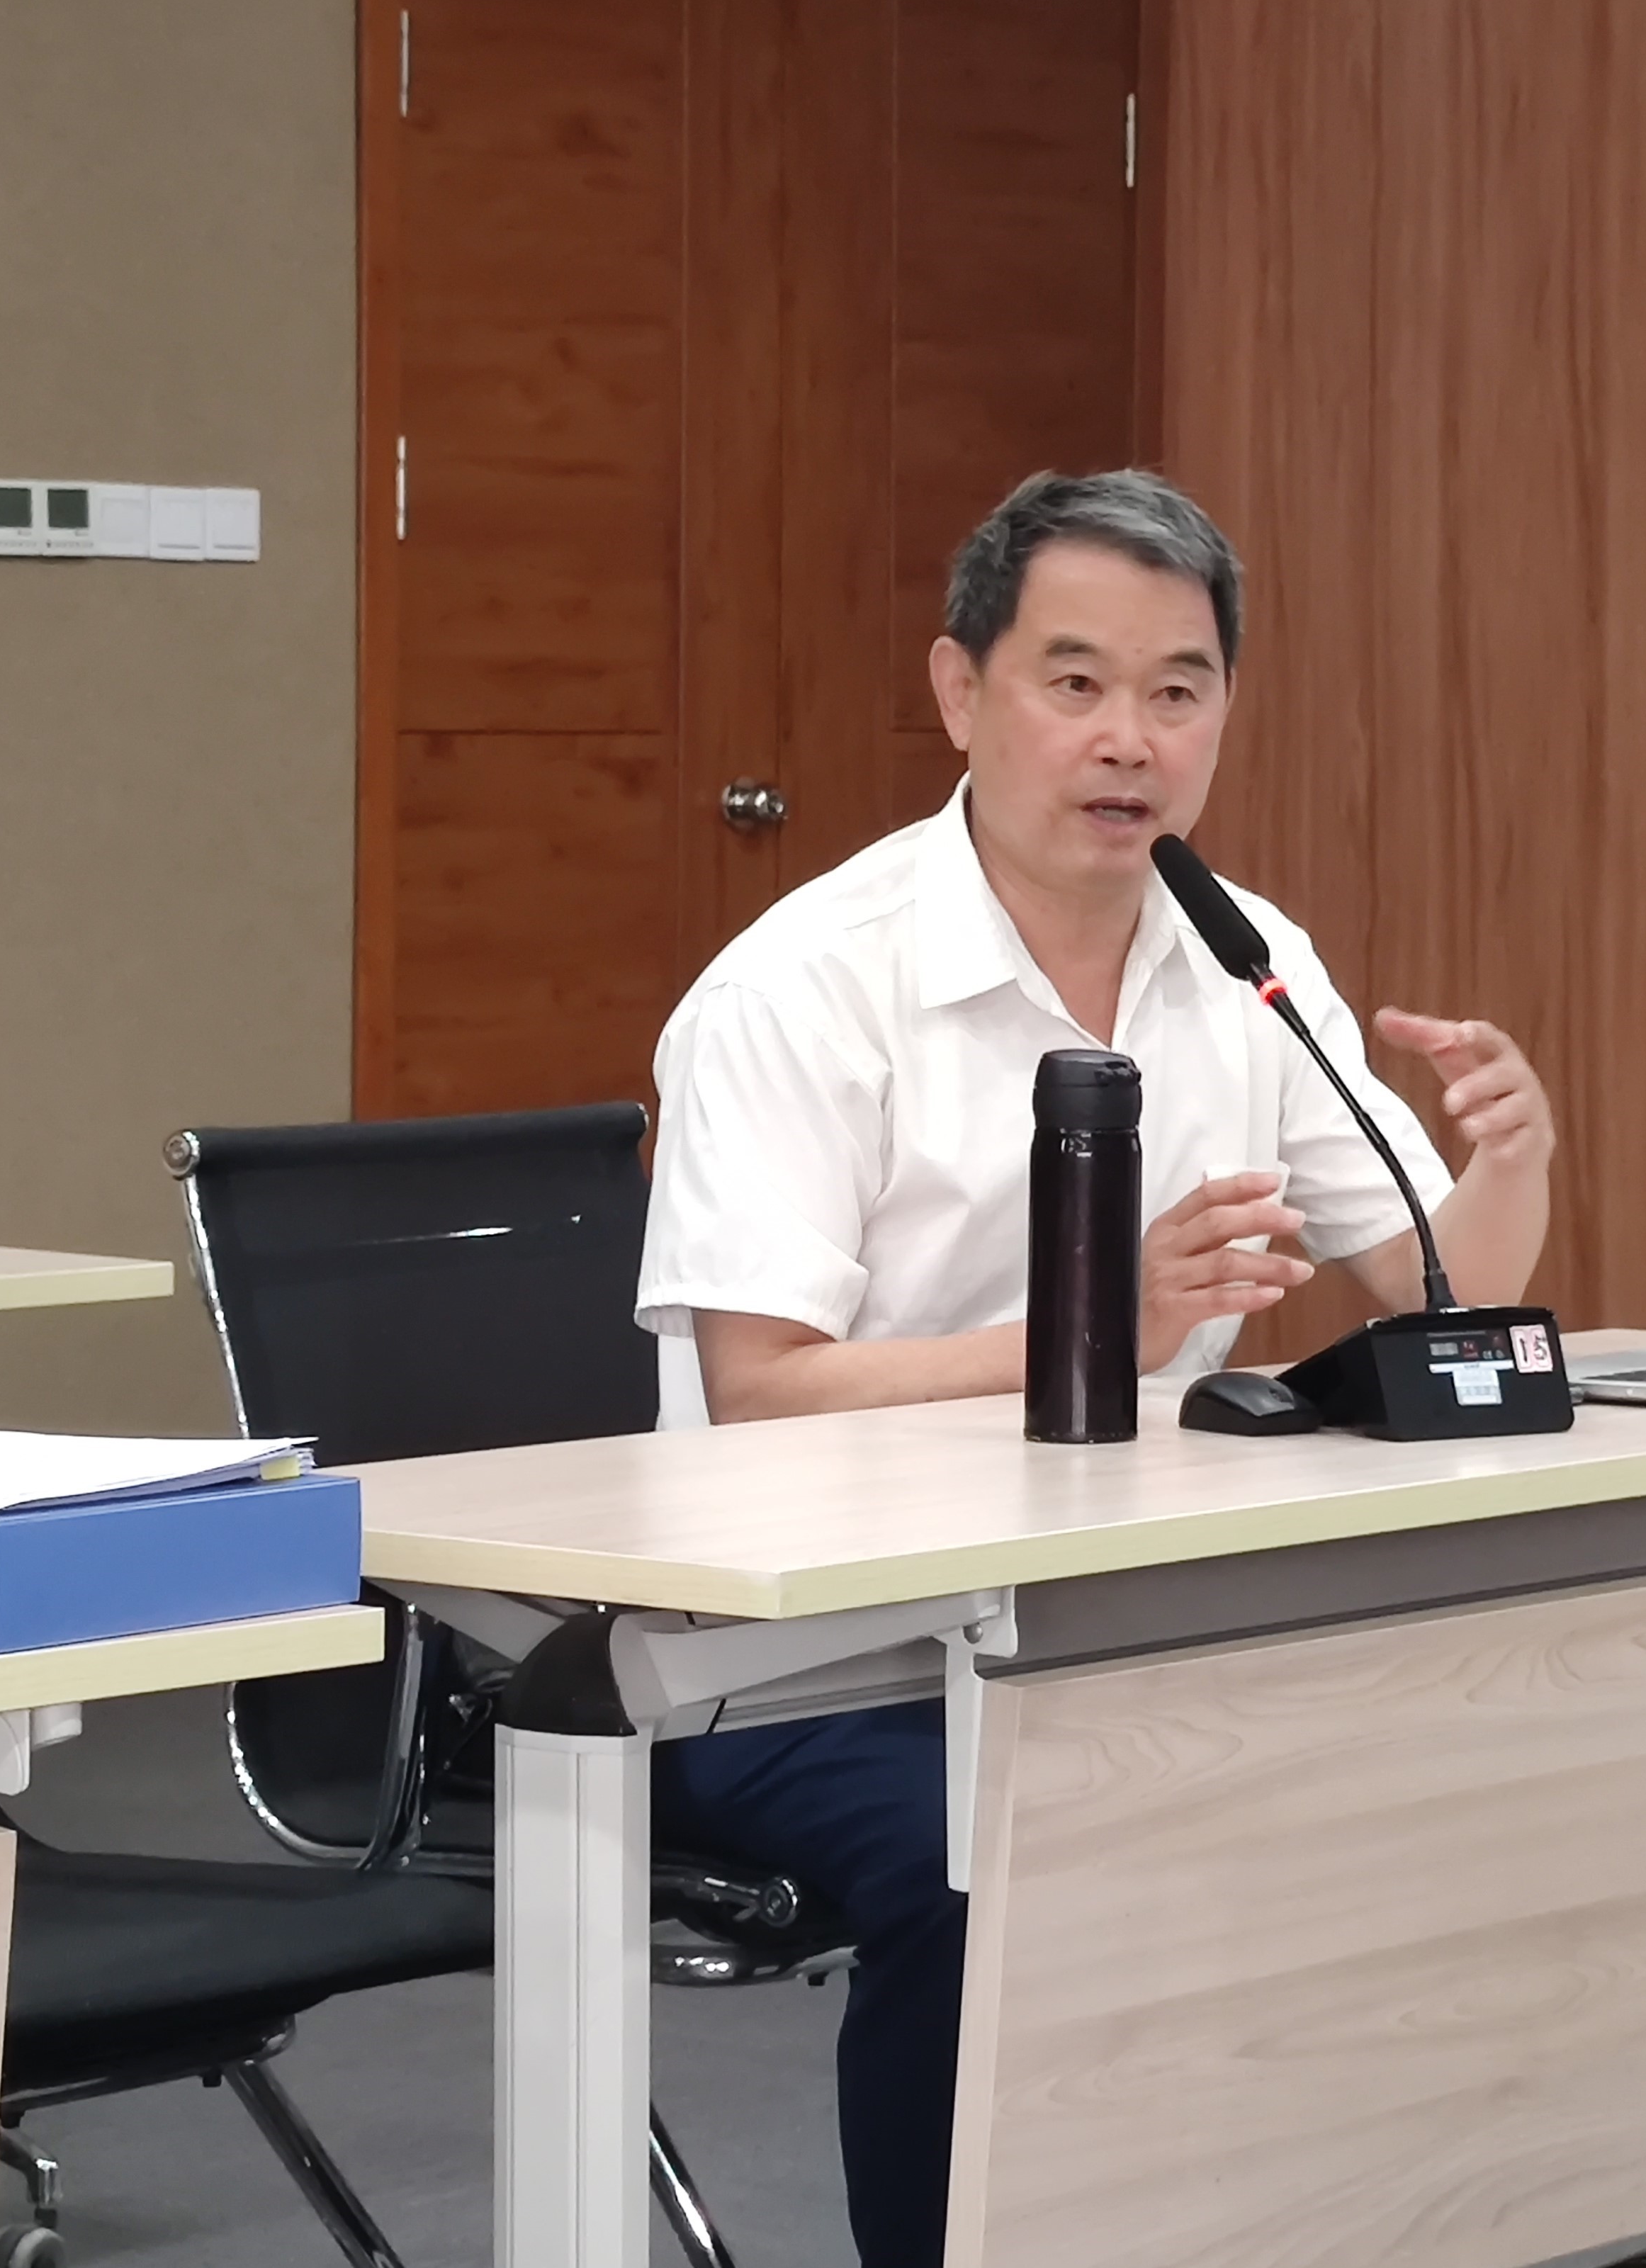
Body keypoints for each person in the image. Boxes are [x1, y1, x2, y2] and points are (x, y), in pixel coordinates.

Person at [630, 467, 1559, 2268]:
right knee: (1007, 1854)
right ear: (959, 691)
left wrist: (1508, 1159)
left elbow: (1435, 1289)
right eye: (1074, 682)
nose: (1129, 737)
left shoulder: (1248, 961)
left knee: (1438, 1773)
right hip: (797, 1659)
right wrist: (1097, 1330)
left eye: (1177, 689)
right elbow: (761, 1390)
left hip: (1112, 1609)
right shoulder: (803, 985)